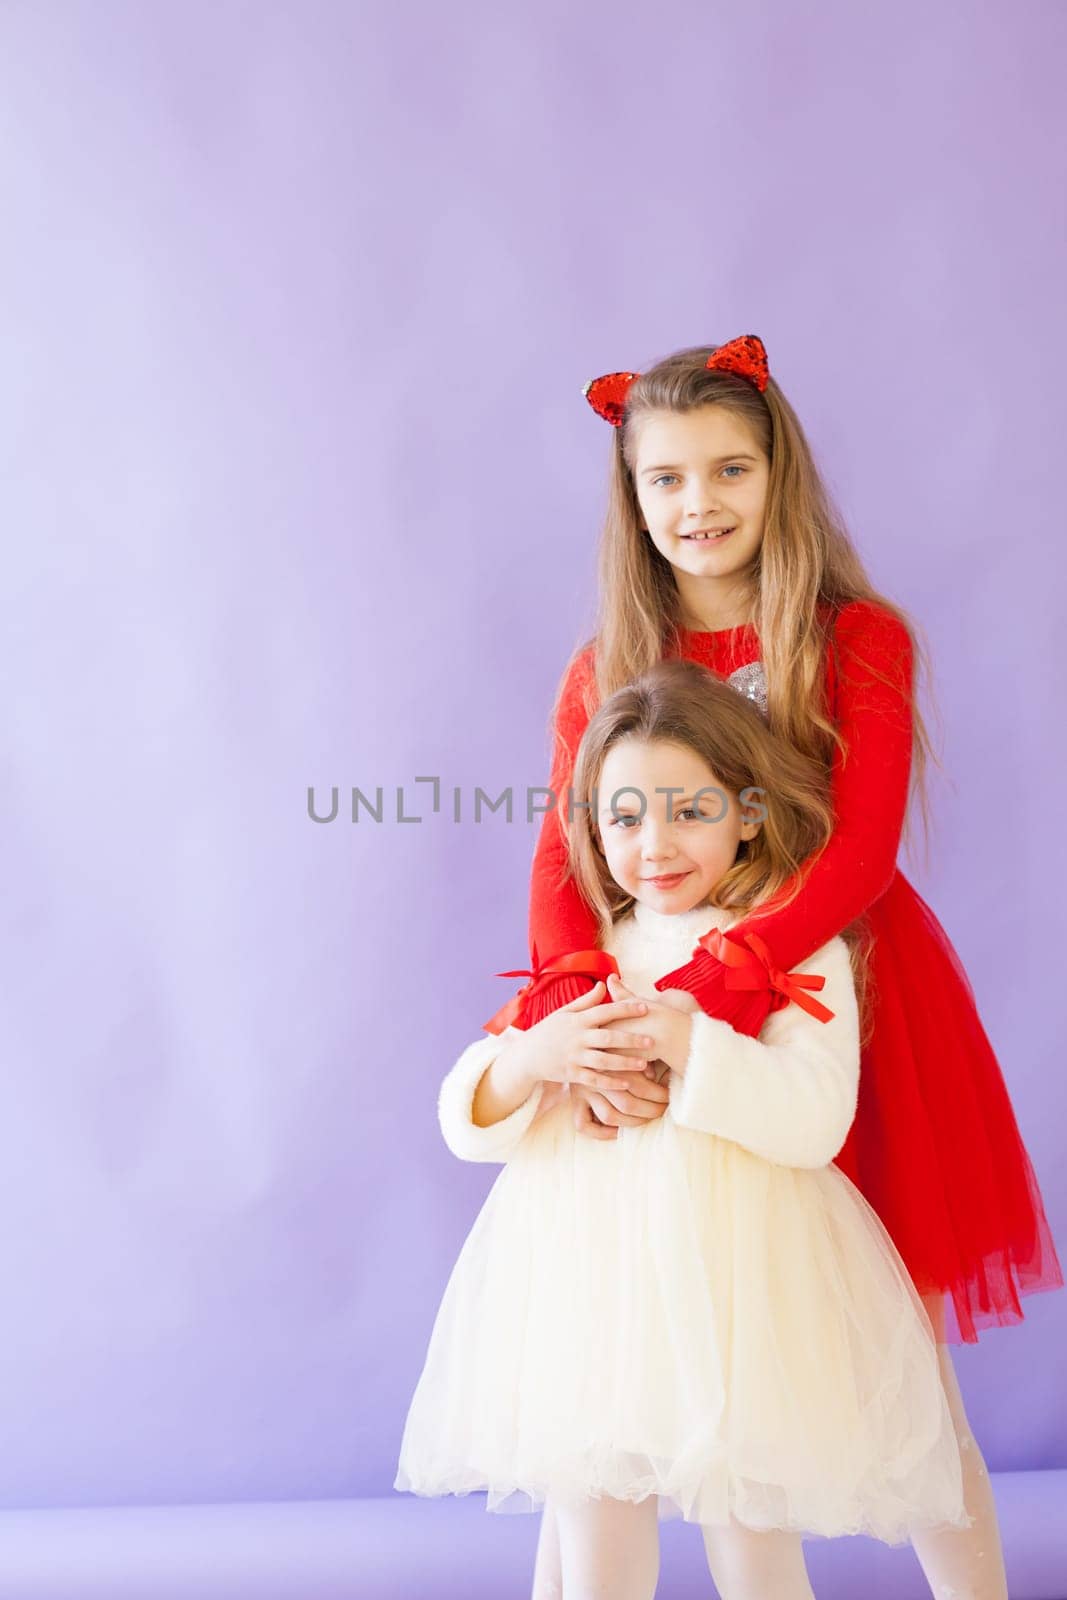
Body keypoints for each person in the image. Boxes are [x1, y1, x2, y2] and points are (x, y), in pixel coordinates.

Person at [486, 336, 1061, 1600]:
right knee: (612, 1356)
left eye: (728, 469)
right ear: (631, 498)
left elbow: (855, 850)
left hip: (823, 997)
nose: (699, 504)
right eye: (666, 479)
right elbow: (558, 859)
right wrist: (586, 1008)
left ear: (776, 473)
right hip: (651, 1013)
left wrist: (726, 977)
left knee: (897, 1346)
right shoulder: (605, 668)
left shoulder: (852, 636)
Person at [395, 661, 970, 1600]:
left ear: (746, 811)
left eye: (687, 811)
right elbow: (470, 1118)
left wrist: (688, 1045)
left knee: (751, 1536)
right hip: (591, 1299)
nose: (653, 844)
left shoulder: (791, 947)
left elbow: (814, 1120)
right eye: (623, 817)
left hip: (740, 1294)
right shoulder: (587, 964)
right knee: (595, 1535)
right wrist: (537, 1060)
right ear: (590, 826)